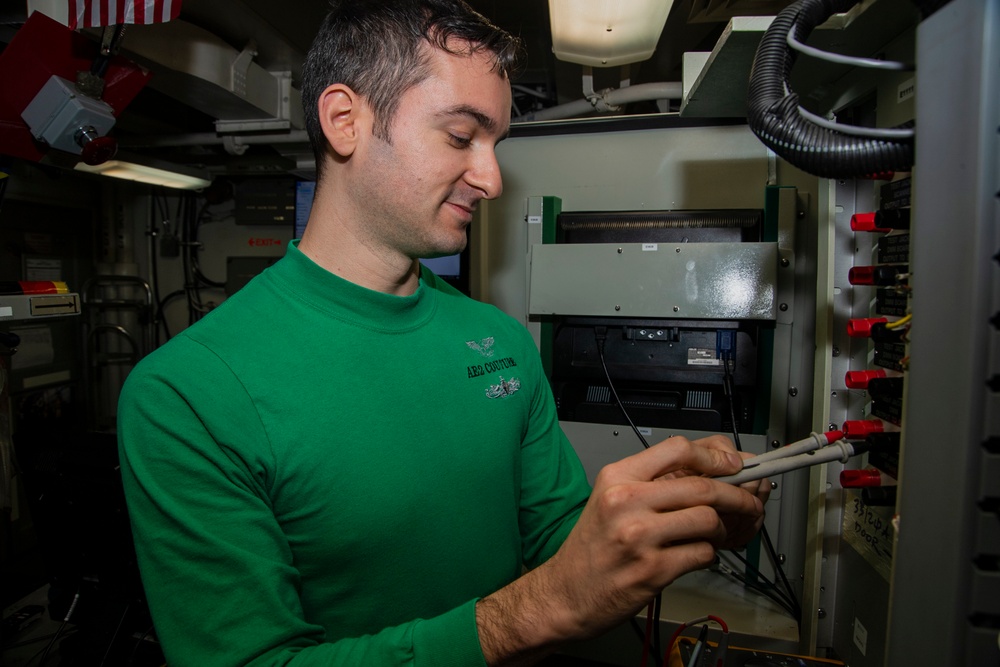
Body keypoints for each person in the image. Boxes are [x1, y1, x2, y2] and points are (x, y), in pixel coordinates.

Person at [116, 1, 769, 665]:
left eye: (496, 145)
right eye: (461, 137)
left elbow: (561, 544)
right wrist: (530, 612)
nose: (491, 179)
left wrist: (687, 513)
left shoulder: (497, 339)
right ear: (346, 121)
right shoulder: (187, 393)